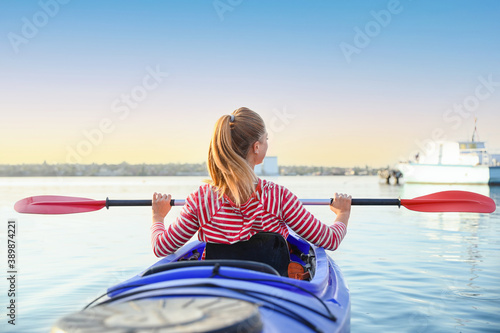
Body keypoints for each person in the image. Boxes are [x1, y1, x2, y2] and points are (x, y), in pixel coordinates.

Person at [151, 107, 351, 258]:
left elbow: (161, 247)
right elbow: (330, 240)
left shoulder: (200, 199)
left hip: (219, 290)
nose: (267, 143)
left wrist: (158, 216)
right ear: (257, 147)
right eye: (266, 139)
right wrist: (342, 213)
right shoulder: (278, 197)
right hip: (270, 289)